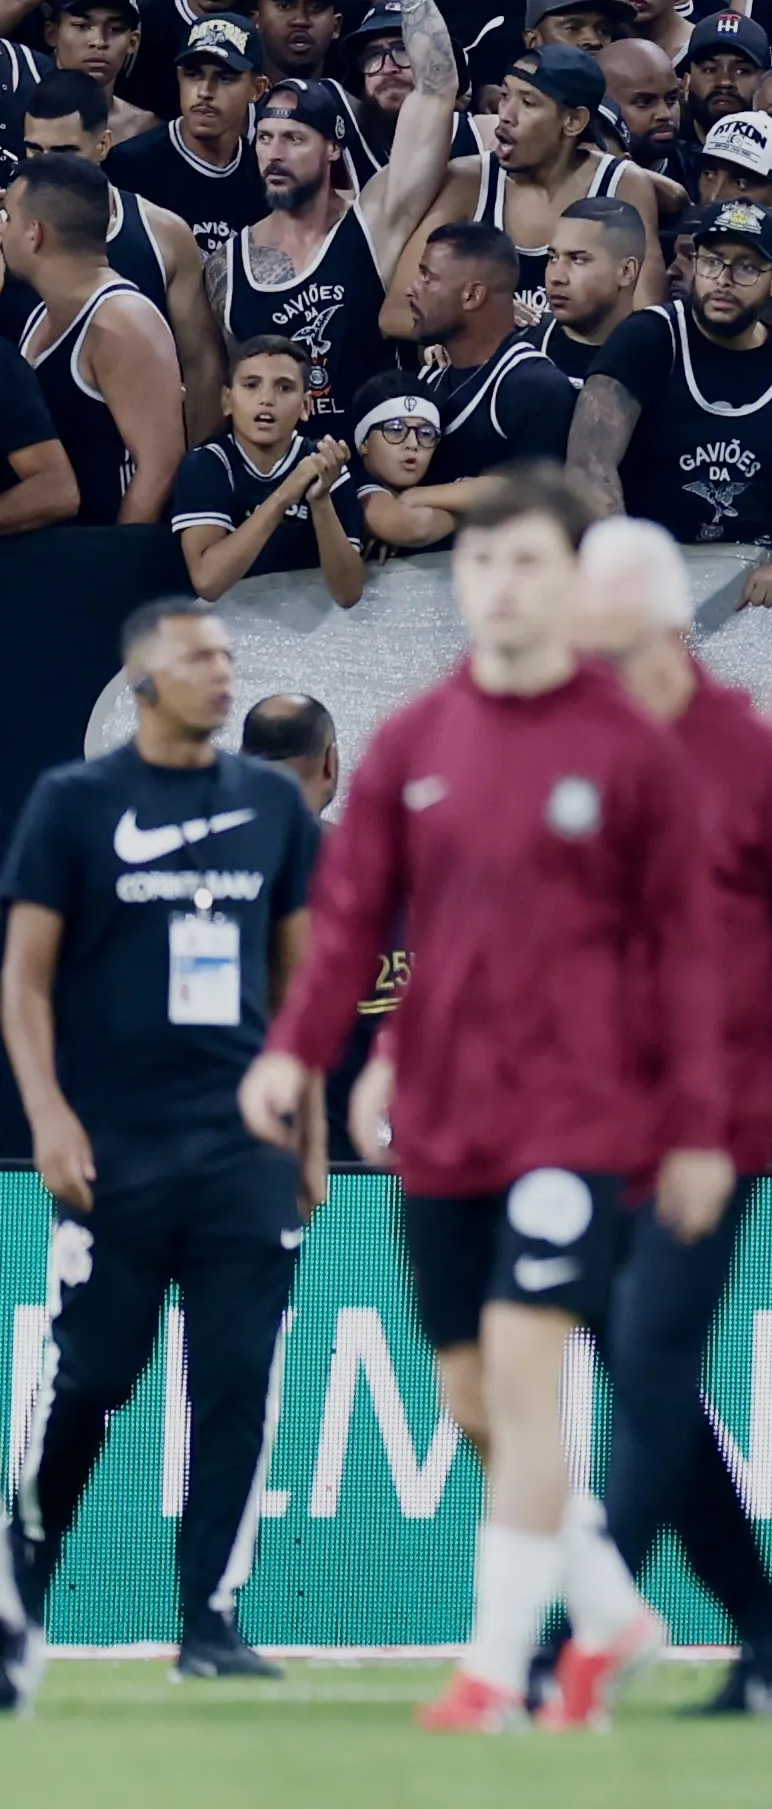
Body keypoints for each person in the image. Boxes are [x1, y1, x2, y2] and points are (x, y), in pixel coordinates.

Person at [240, 470, 737, 1738]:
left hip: (581, 1118)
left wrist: (694, 1121)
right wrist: (308, 1056)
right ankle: (613, 1608)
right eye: (484, 566)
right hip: (446, 1127)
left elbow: (690, 952)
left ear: (570, 590)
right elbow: (350, 931)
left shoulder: (632, 749)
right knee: (470, 1400)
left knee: (521, 1384)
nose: (502, 586)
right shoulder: (415, 744)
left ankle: (498, 1671)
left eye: (528, 566)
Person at [564, 517, 772, 1724]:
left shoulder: (753, 759)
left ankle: (569, 1650)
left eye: (595, 617)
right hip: (585, 1125)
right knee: (656, 1391)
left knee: (646, 1371)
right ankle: (771, 1651)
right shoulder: (567, 752)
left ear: (648, 620)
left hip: (715, 1128)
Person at [3, 596, 317, 1687]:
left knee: (237, 1382)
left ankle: (212, 1625)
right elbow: (25, 978)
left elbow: (299, 989)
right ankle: (18, 1605)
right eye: (200, 657)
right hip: (116, 1151)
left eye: (230, 655)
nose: (223, 673)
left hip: (244, 1154)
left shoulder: (272, 810)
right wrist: (48, 1112)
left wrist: (310, 1140)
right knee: (90, 1379)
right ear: (143, 679)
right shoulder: (75, 804)